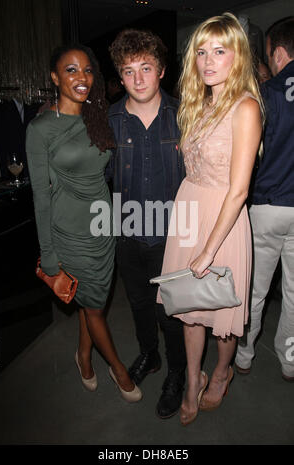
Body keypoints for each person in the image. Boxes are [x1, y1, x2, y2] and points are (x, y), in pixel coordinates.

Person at [158, 12, 263, 425]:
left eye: (220, 51)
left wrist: (207, 249)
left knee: (222, 314)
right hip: (190, 210)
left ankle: (221, 373)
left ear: (238, 56)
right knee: (188, 308)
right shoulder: (198, 103)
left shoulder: (246, 107)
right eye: (201, 51)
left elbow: (239, 191)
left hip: (225, 219)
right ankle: (191, 381)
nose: (208, 60)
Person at [26, 44, 142, 403]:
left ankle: (83, 356)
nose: (82, 78)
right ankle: (119, 369)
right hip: (70, 234)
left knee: (91, 301)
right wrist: (48, 255)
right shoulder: (41, 128)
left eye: (88, 70)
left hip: (102, 228)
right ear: (55, 77)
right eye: (71, 70)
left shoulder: (98, 116)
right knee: (94, 306)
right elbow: (40, 199)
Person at [107, 29, 187, 419]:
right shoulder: (108, 121)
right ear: (119, 77)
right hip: (127, 233)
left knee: (169, 312)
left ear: (161, 71)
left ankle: (178, 371)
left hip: (173, 236)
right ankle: (149, 356)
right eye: (127, 71)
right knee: (138, 305)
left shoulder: (186, 115)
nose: (137, 79)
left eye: (145, 68)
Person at [235, 17, 294, 382]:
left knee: (254, 288)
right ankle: (290, 361)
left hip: (268, 206)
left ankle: (243, 354)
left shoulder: (266, 95)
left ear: (278, 53)